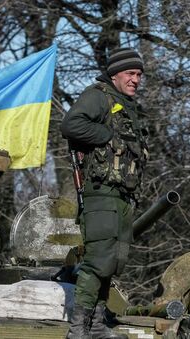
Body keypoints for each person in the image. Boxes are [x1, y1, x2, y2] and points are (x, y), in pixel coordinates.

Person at [61, 47, 149, 339]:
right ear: (115, 74)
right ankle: (78, 329)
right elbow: (71, 124)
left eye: (139, 75)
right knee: (97, 260)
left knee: (113, 261)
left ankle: (96, 326)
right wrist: (106, 136)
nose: (136, 80)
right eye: (130, 74)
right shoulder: (99, 95)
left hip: (122, 197)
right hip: (101, 194)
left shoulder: (128, 105)